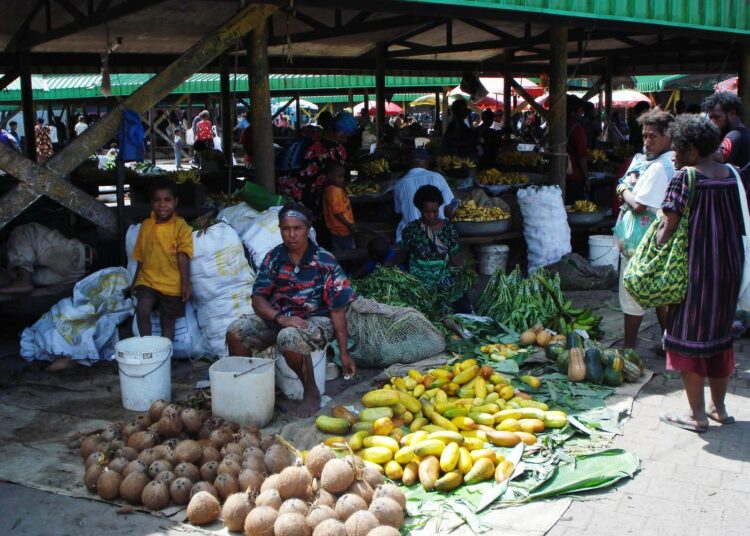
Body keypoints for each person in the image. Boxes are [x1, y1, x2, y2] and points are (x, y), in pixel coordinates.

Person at [226, 202, 356, 417]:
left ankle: (312, 392)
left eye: (297, 228)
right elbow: (258, 299)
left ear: (308, 229)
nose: (291, 234)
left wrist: (344, 353)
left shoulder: (325, 261)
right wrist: (280, 318)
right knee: (236, 331)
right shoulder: (274, 258)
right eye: (285, 229)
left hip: (316, 321)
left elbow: (337, 310)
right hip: (280, 318)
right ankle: (247, 387)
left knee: (289, 337)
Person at [657, 114, 743, 432]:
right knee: (720, 339)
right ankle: (718, 408)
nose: (674, 156)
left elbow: (667, 228)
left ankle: (697, 415)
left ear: (692, 150)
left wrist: (653, 241)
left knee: (690, 341)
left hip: (697, 271)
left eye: (677, 149)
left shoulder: (686, 177)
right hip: (730, 268)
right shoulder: (731, 174)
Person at [615, 109, 675, 351]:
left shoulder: (661, 166)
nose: (647, 141)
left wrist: (622, 190)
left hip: (642, 241)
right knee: (661, 295)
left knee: (632, 293)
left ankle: (628, 349)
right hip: (660, 238)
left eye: (653, 136)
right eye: (644, 136)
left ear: (668, 136)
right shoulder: (668, 160)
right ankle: (669, 344)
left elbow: (639, 205)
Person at [131, 180, 193, 342]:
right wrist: (135, 281)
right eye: (157, 200)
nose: (162, 205)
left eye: (167, 200)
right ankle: (148, 347)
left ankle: (166, 356)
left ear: (175, 202)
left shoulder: (181, 227)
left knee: (168, 321)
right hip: (148, 280)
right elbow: (140, 256)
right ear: (151, 203)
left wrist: (185, 284)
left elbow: (183, 255)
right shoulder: (146, 226)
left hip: (172, 283)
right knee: (142, 310)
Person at [391, 185, 469, 312]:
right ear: (419, 209)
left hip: (444, 283)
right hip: (419, 286)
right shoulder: (411, 230)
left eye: (435, 211)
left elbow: (455, 256)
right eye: (427, 212)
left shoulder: (449, 229)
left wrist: (465, 274)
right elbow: (402, 254)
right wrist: (388, 267)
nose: (431, 215)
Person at [278, 111, 354, 216]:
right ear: (333, 127)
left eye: (347, 135)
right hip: (299, 189)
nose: (345, 137)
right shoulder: (311, 134)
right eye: (343, 133)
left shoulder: (337, 149)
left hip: (313, 194)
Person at [0, 223, 94, 295]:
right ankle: (22, 280)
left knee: (24, 231)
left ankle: (23, 280)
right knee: (22, 275)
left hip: (78, 256)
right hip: (78, 274)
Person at [392, 148, 454, 242]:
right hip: (437, 233)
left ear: (409, 163)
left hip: (409, 236)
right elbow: (448, 208)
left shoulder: (399, 184)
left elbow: (399, 213)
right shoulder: (437, 177)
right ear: (426, 162)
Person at [703, 91, 750, 168]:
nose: (712, 122)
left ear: (732, 114)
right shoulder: (744, 133)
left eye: (716, 117)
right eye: (710, 118)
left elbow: (720, 156)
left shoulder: (735, 135)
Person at [322, 162, 356, 252]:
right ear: (330, 176)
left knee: (339, 250)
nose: (342, 180)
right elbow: (337, 212)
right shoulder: (334, 191)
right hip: (342, 229)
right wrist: (349, 225)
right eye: (339, 177)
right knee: (348, 252)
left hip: (336, 229)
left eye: (343, 177)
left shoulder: (331, 189)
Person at [565, 95, 589, 203]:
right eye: (580, 110)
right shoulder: (577, 128)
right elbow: (581, 156)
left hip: (561, 174)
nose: (581, 113)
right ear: (573, 111)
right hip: (574, 176)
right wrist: (587, 179)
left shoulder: (560, 125)